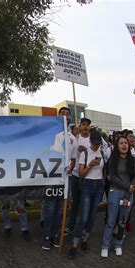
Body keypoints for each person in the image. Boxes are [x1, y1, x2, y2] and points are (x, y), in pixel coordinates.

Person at [68, 131, 105, 260]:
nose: (96, 146)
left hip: (99, 185)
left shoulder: (103, 153)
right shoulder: (85, 154)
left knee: (92, 216)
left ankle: (85, 240)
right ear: (90, 142)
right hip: (87, 185)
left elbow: (104, 171)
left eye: (98, 144)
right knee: (83, 217)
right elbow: (82, 173)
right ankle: (74, 244)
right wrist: (90, 165)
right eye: (95, 144)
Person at [42, 106, 74, 250]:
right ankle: (47, 237)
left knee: (60, 210)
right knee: (50, 209)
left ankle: (56, 235)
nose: (65, 116)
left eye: (68, 114)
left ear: (70, 119)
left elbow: (73, 158)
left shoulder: (73, 138)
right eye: (62, 113)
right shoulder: (51, 134)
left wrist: (71, 166)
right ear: (58, 116)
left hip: (65, 180)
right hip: (52, 178)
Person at [101, 136, 135, 257]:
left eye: (125, 143)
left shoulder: (132, 160)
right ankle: (105, 246)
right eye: (121, 143)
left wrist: (129, 192)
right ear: (117, 146)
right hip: (114, 192)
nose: (124, 145)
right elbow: (112, 177)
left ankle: (118, 244)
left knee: (122, 221)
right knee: (111, 221)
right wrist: (128, 187)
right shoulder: (113, 159)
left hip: (128, 194)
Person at [65, 117, 92, 235]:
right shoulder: (74, 139)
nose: (85, 127)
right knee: (75, 202)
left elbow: (103, 149)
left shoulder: (94, 139)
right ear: (79, 127)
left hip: (89, 176)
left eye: (87, 125)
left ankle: (84, 227)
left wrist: (88, 151)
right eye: (83, 125)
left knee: (86, 204)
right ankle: (71, 226)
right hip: (76, 175)